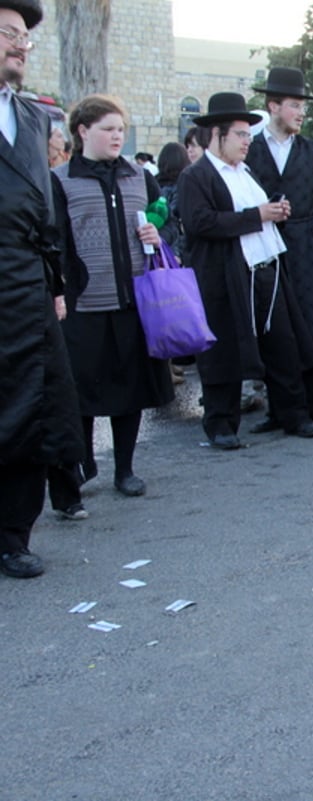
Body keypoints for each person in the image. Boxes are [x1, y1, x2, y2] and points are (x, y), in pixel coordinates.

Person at [176, 91, 313, 449]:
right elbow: (201, 223)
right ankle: (221, 424)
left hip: (265, 269)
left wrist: (274, 212)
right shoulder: (196, 176)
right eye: (240, 135)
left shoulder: (245, 172)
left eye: (248, 134)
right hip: (224, 276)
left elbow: (254, 213)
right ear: (218, 135)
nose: (247, 141)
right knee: (223, 351)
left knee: (282, 344)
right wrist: (257, 216)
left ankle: (293, 414)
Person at [0, 0, 87, 579]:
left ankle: (13, 535)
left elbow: (47, 210)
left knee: (32, 407)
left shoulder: (32, 118)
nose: (18, 45)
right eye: (7, 34)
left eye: (23, 37)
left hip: (27, 287)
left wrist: (54, 282)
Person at [51, 94, 174, 500]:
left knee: (131, 391)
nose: (117, 136)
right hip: (84, 303)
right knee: (82, 392)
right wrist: (64, 290)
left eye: (121, 129)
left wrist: (157, 235)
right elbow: (56, 243)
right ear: (83, 131)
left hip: (134, 300)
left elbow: (163, 220)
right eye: (108, 129)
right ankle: (84, 463)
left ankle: (125, 469)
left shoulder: (139, 176)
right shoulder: (61, 179)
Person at [245, 67, 313, 433]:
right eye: (294, 105)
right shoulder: (251, 150)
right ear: (273, 106)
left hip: (308, 247)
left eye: (303, 106)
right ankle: (281, 409)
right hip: (267, 246)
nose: (301, 113)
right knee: (275, 328)